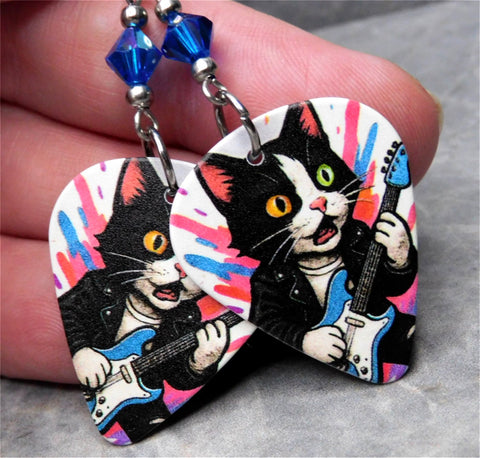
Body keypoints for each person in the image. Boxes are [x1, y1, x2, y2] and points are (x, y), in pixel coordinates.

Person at [0, 0, 441, 384]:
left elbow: (391, 283)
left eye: (324, 180)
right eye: (281, 204)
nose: (321, 202)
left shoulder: (360, 239)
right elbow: (178, 363)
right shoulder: (257, 286)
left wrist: (399, 258)